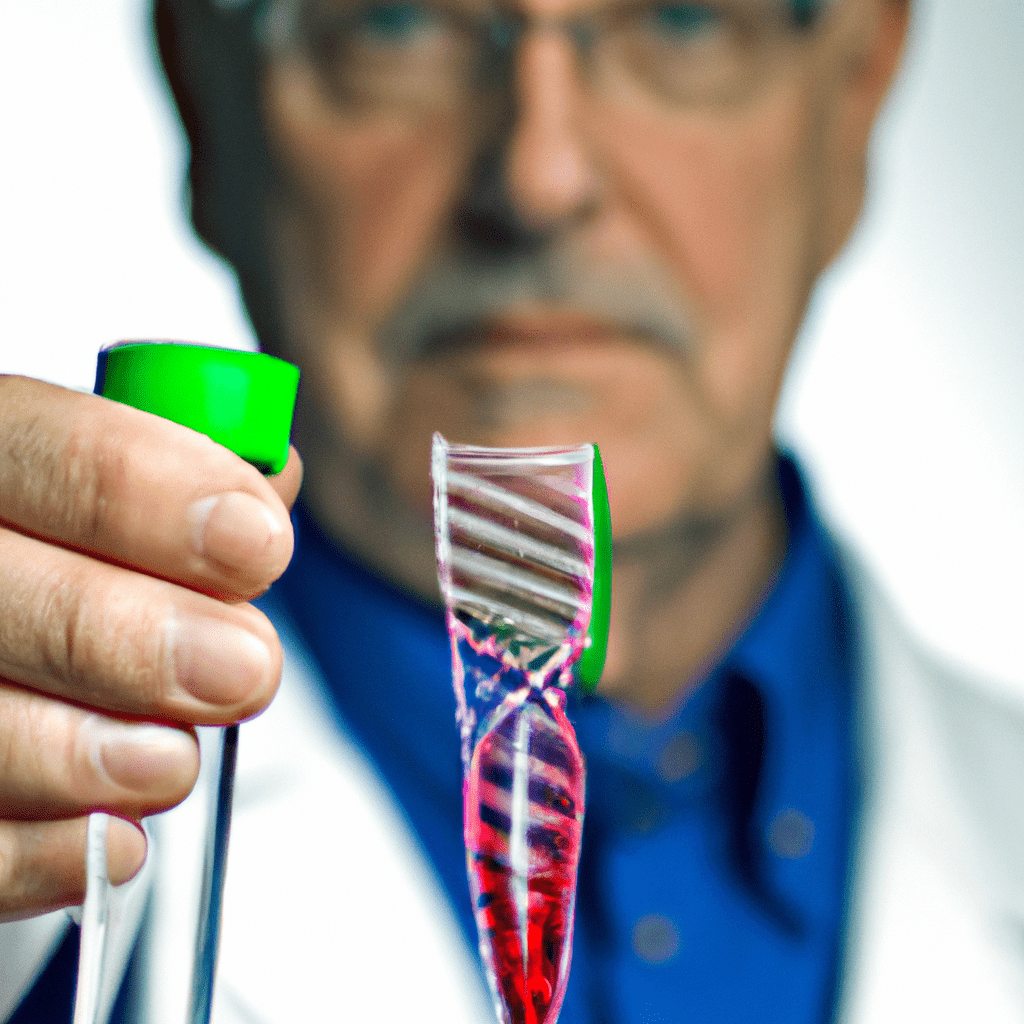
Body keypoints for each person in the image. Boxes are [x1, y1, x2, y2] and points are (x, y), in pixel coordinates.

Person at [2, 0, 1023, 1021]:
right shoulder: (40, 896)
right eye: (394, 24)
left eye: (680, 21)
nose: (539, 179)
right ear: (203, 89)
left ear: (854, 86)